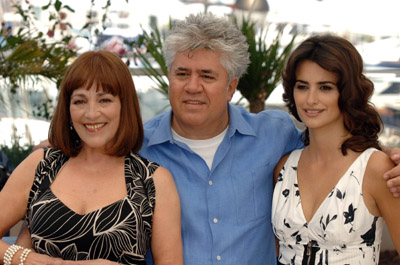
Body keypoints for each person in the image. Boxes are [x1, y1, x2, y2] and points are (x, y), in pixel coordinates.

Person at [14, 13, 400, 265]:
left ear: (232, 85)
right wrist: (60, 150)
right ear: (168, 78)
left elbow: (339, 155)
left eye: (208, 76)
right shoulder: (135, 146)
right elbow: (86, 153)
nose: (192, 87)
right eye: (182, 73)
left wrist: (390, 159)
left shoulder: (278, 136)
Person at [0, 50, 183, 265]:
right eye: (80, 101)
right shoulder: (41, 165)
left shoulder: (153, 181)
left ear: (124, 105)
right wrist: (28, 259)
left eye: (104, 100)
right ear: (68, 108)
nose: (91, 113)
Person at [272, 34, 400, 265]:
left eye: (325, 87)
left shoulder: (376, 168)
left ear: (347, 92)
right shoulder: (284, 167)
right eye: (302, 86)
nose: (311, 99)